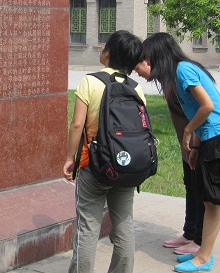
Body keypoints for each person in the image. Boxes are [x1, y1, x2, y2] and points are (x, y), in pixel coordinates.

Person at [142, 33, 220, 272]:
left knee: (212, 202)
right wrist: (196, 146)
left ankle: (204, 258)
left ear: (159, 54)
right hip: (208, 140)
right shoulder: (178, 74)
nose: (146, 62)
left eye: (147, 57)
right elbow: (199, 111)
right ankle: (202, 252)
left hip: (219, 139)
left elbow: (207, 106)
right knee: (208, 200)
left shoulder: (183, 70)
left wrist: (188, 131)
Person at [63, 30, 145, 273]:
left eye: (104, 44)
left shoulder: (90, 82)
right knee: (124, 226)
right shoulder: (136, 88)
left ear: (109, 52)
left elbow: (77, 124)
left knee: (88, 228)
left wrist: (70, 158)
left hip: (94, 166)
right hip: (126, 166)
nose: (101, 47)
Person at [135, 61, 205, 256]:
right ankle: (190, 233)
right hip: (188, 145)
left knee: (200, 190)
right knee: (190, 185)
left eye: (139, 66)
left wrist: (194, 142)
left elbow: (203, 109)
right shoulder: (168, 82)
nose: (137, 72)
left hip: (200, 142)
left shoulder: (181, 76)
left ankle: (200, 239)